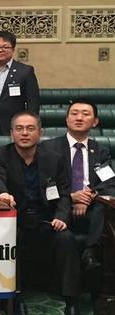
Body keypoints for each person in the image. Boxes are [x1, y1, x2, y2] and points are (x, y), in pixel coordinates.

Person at [0, 111, 81, 315]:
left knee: (66, 239)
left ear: (40, 133)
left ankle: (72, 302)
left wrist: (62, 217)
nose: (24, 133)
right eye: (19, 129)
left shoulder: (54, 159)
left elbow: (65, 194)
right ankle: (15, 299)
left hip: (46, 220)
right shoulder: (0, 155)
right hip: (16, 221)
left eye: (30, 128)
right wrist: (2, 192)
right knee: (8, 241)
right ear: (11, 133)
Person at [40, 99, 113, 277]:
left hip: (92, 209)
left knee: (103, 208)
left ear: (95, 122)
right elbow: (44, 184)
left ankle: (90, 252)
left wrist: (89, 197)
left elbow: (109, 182)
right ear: (66, 119)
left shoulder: (100, 151)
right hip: (58, 207)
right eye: (74, 113)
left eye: (85, 114)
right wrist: (71, 198)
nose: (79, 118)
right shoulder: (48, 148)